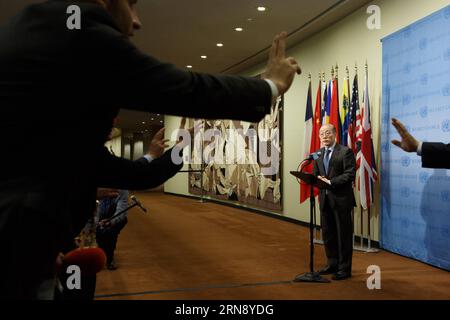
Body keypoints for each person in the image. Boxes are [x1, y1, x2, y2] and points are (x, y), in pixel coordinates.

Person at [0, 0, 301, 299]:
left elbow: (132, 173)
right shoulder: (77, 30)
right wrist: (270, 86)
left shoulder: (39, 31)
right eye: (131, 5)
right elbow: (183, 89)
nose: (136, 21)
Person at [313, 124, 356, 280]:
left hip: (341, 200)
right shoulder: (317, 154)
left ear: (335, 134)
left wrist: (331, 182)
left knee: (343, 236)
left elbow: (350, 174)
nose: (324, 136)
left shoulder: (345, 152)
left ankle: (345, 269)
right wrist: (317, 180)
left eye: (328, 133)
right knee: (328, 235)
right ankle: (332, 264)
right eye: (321, 134)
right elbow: (316, 174)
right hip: (324, 200)